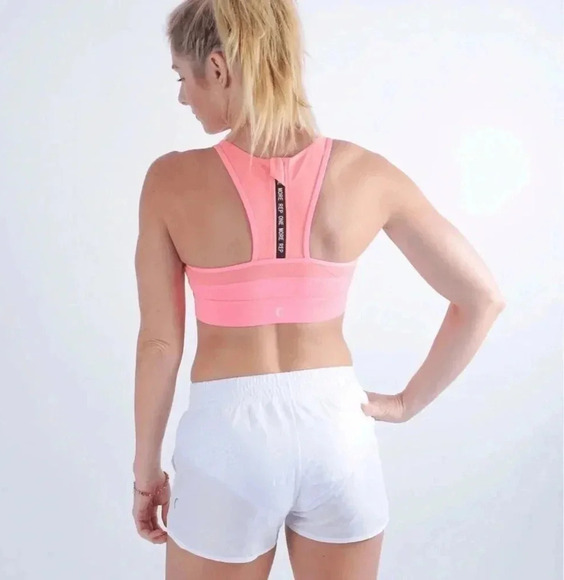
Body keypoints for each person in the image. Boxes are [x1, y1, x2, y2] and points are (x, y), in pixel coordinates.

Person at [131, 1, 506, 578]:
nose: (183, 96)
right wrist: (405, 404)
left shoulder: (170, 180)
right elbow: (482, 297)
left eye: (183, 77)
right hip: (338, 430)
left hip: (227, 440)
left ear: (219, 67)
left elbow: (160, 344)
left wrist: (146, 473)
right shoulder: (366, 173)